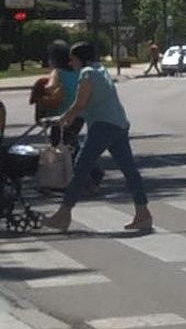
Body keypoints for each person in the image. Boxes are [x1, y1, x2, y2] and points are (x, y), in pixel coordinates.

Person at [41, 42, 152, 233]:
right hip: (119, 123)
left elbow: (80, 103)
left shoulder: (87, 74)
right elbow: (94, 101)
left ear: (80, 59)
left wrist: (62, 119)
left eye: (73, 58)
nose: (71, 62)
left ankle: (63, 214)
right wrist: (69, 118)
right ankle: (143, 213)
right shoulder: (100, 69)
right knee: (129, 170)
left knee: (80, 166)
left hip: (103, 126)